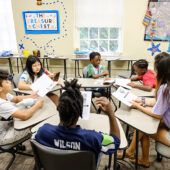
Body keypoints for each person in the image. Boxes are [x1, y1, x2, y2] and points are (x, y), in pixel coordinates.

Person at [35, 79, 120, 162]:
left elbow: (33, 137)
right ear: (81, 111)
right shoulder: (93, 138)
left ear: (58, 109)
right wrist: (111, 114)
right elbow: (115, 142)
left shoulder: (43, 131)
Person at [118, 53, 170, 168]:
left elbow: (157, 115)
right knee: (143, 126)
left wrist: (139, 107)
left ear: (160, 70)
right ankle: (140, 157)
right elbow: (159, 103)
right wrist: (143, 101)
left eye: (155, 67)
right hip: (167, 123)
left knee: (143, 127)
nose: (154, 70)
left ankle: (130, 152)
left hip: (167, 126)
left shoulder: (164, 88)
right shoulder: (167, 85)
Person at [0, 69, 43, 145]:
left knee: (30, 114)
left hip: (3, 125)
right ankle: (39, 148)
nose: (10, 82)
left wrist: (32, 96)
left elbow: (16, 99)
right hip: (3, 136)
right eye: (7, 82)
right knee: (35, 123)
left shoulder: (4, 94)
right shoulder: (2, 103)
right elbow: (24, 116)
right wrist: (37, 105)